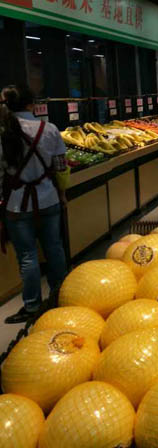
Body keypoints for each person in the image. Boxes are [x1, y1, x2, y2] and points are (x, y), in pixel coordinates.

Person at [0, 85, 69, 324]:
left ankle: (32, 306)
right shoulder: (49, 129)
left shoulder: (4, 132)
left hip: (17, 205)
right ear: (32, 104)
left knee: (27, 257)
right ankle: (60, 297)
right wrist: (62, 194)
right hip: (49, 198)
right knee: (54, 249)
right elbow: (61, 166)